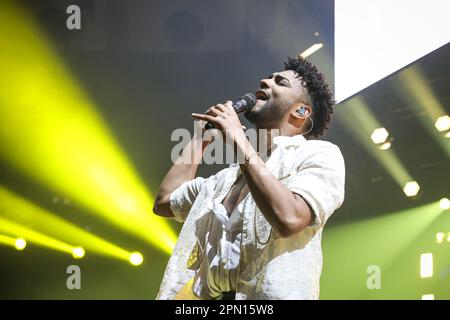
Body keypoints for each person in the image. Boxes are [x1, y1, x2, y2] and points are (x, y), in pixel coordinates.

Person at [153, 56, 345, 300]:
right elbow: (165, 202)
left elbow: (290, 218)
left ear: (301, 110)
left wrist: (238, 140)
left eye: (280, 82)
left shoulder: (319, 155)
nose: (265, 81)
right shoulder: (224, 179)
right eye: (268, 77)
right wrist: (202, 139)